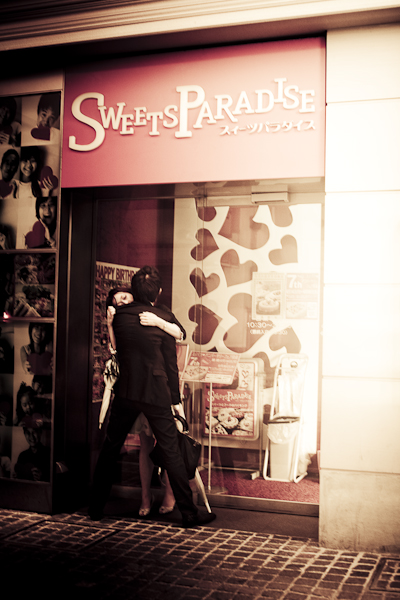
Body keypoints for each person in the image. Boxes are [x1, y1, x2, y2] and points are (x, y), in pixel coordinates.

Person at [89, 266, 216, 528]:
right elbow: (170, 363)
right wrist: (176, 400)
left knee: (111, 447)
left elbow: (115, 349)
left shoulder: (120, 317)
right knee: (171, 451)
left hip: (127, 391)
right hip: (156, 392)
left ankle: (95, 507)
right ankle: (189, 514)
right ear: (158, 292)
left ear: (134, 291)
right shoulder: (163, 316)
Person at [106, 286, 183, 516]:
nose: (121, 303)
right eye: (116, 302)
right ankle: (145, 496)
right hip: (135, 392)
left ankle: (170, 494)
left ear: (135, 294)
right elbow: (115, 350)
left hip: (159, 391)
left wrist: (175, 397)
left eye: (123, 297)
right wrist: (110, 324)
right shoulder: (122, 320)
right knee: (145, 445)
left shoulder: (159, 313)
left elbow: (180, 335)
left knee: (168, 445)